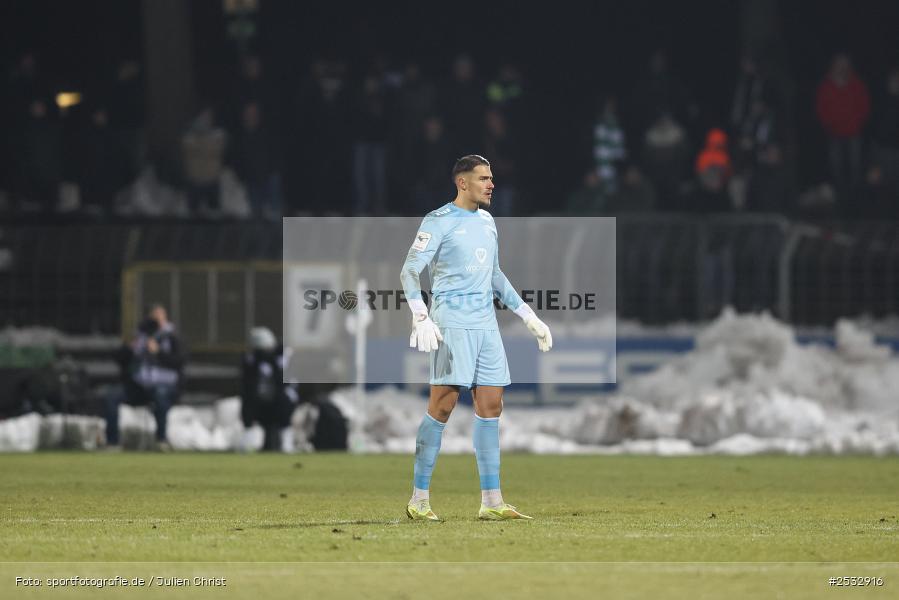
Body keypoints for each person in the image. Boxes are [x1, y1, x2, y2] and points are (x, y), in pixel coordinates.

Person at [400, 154, 552, 522]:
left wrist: (528, 316)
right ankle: (419, 500)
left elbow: (496, 274)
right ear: (462, 183)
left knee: (491, 406)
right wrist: (420, 316)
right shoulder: (437, 221)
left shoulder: (487, 221)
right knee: (442, 406)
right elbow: (409, 272)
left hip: (486, 325)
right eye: (483, 178)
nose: (491, 184)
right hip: (451, 323)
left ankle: (492, 501)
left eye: (491, 177)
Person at [107, 304, 184, 448]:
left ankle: (161, 440)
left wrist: (158, 351)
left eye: (160, 316)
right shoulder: (140, 336)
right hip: (138, 387)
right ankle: (112, 442)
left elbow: (179, 362)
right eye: (154, 316)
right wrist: (131, 348)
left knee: (161, 395)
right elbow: (119, 359)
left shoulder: (173, 337)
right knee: (111, 397)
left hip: (163, 386)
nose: (156, 320)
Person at [240, 327, 299, 451]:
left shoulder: (283, 356)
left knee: (284, 401)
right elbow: (247, 383)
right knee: (248, 404)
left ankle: (286, 444)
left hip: (280, 401)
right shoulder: (252, 360)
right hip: (261, 402)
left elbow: (284, 382)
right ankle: (247, 443)